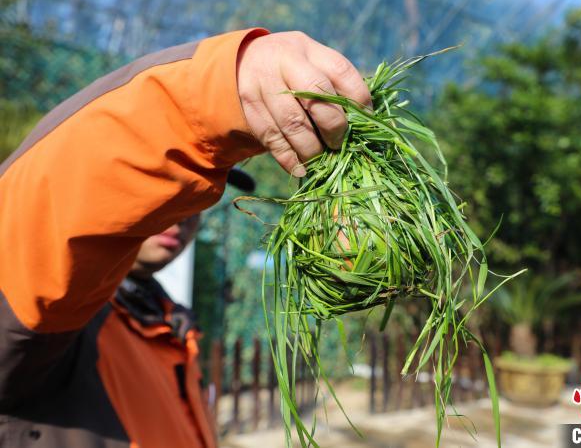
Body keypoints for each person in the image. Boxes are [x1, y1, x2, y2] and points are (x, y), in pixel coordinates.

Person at [0, 29, 372, 447]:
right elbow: (43, 216)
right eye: (166, 195)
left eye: (196, 198)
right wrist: (213, 95)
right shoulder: (53, 324)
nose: (178, 216)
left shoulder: (172, 324)